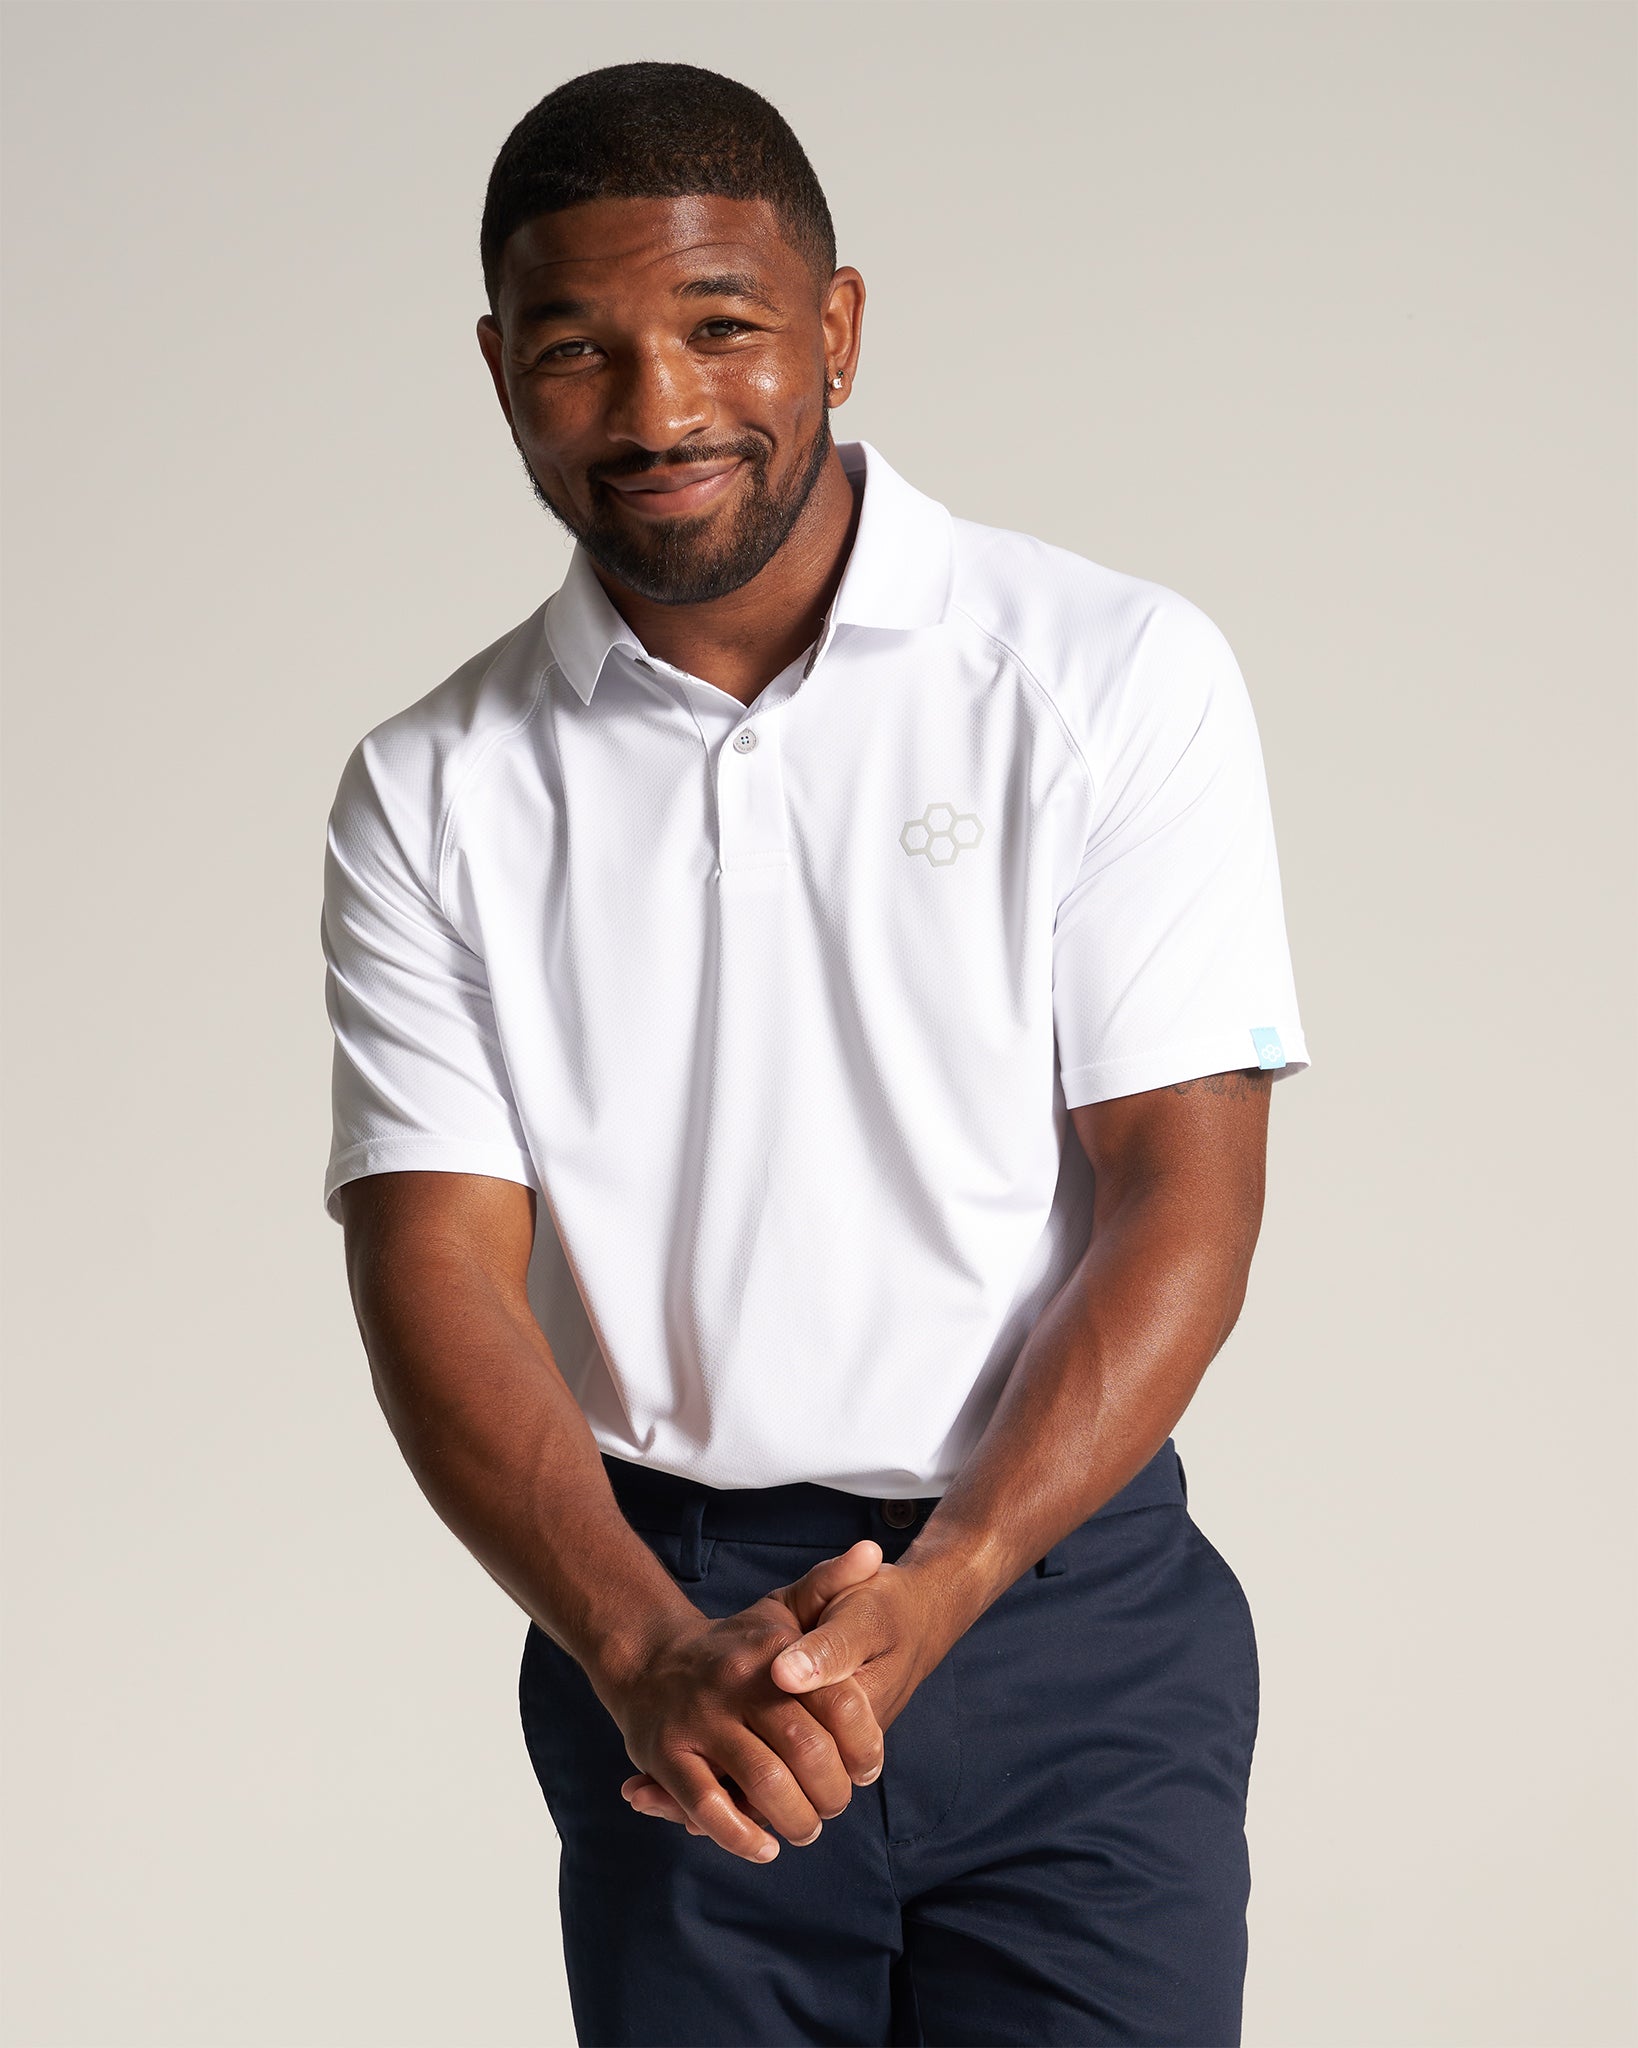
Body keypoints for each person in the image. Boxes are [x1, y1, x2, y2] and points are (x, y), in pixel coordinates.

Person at [320, 57, 1310, 2048]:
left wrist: (946, 1587)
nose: (660, 408)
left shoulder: (1109, 671)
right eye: (581, 351)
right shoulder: (429, 788)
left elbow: (1181, 1191)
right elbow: (434, 1268)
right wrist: (642, 1646)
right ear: (500, 365)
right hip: (664, 1622)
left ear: (837, 328)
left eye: (722, 327)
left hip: (1062, 1610)